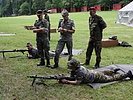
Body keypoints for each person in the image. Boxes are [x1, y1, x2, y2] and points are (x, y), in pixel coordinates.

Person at [60, 58, 133, 85]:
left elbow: (77, 82)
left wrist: (67, 81)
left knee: (112, 78)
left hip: (97, 77)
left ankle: (127, 74)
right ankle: (112, 71)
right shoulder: (78, 68)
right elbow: (72, 76)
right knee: (104, 72)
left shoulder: (80, 72)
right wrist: (65, 77)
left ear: (74, 66)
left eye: (70, 66)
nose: (69, 67)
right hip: (94, 73)